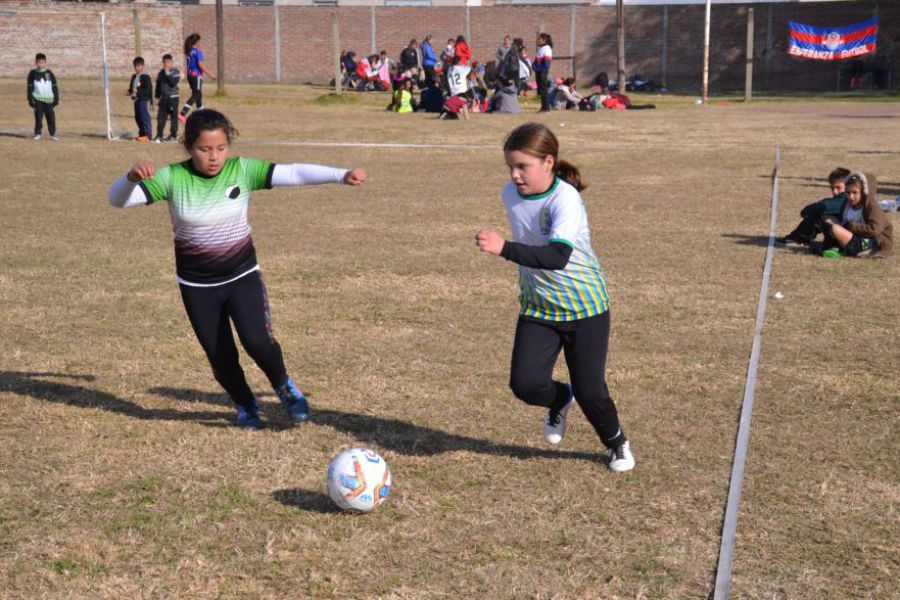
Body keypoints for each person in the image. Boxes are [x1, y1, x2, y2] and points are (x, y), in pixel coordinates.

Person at [107, 109, 367, 429]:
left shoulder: (241, 170)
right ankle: (245, 404)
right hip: (198, 286)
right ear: (189, 148)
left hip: (242, 275)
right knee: (221, 357)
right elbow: (117, 200)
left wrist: (341, 174)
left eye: (220, 148)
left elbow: (294, 173)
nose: (214, 157)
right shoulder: (172, 177)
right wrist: (130, 178)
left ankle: (284, 386)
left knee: (258, 341)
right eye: (204, 149)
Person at [474, 123, 634, 472]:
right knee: (525, 385)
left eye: (523, 167)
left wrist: (504, 248)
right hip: (539, 307)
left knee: (592, 392)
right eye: (510, 167)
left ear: (548, 162)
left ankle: (617, 443)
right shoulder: (509, 194)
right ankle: (561, 398)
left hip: (585, 308)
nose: (515, 176)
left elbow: (558, 257)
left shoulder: (566, 199)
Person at [815, 171, 893, 258]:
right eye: (848, 193)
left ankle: (839, 249)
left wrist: (851, 226)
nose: (851, 196)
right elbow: (842, 220)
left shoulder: (872, 207)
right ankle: (834, 247)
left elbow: (875, 229)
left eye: (855, 193)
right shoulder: (847, 205)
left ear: (864, 192)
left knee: (834, 228)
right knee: (826, 219)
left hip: (869, 243)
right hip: (853, 237)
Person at [777, 167, 850, 247]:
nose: (834, 191)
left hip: (849, 236)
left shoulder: (844, 199)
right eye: (832, 188)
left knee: (820, 215)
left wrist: (806, 211)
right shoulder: (845, 198)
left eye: (838, 187)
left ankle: (799, 239)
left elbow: (822, 207)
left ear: (848, 186)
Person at [179, 33, 217, 124]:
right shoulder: (197, 52)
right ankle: (182, 113)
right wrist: (210, 74)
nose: (201, 43)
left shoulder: (189, 51)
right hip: (196, 76)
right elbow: (200, 65)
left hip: (190, 75)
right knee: (196, 94)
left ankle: (202, 116)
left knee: (198, 96)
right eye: (200, 41)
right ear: (197, 42)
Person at [27, 52, 59, 141]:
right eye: (38, 62)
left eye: (42, 62)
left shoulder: (49, 73)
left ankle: (52, 134)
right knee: (38, 117)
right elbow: (29, 87)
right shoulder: (32, 73)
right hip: (37, 99)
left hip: (49, 99)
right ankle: (37, 133)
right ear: (35, 63)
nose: (40, 64)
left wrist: (56, 98)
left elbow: (54, 86)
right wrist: (30, 99)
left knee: (51, 117)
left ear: (45, 63)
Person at [154, 54, 181, 143]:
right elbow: (158, 86)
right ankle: (159, 135)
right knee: (161, 117)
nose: (166, 64)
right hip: (163, 98)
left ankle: (173, 135)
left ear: (172, 63)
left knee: (173, 117)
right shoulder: (161, 73)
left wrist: (168, 73)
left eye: (168, 62)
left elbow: (173, 83)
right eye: (165, 62)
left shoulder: (175, 72)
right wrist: (157, 97)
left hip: (173, 98)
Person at [127, 57, 153, 143]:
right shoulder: (134, 76)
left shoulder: (145, 76)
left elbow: (147, 89)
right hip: (137, 100)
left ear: (143, 66)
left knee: (144, 117)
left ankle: (147, 135)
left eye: (139, 66)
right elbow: (132, 87)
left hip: (144, 100)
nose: (137, 68)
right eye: (135, 66)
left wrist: (137, 93)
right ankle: (142, 134)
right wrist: (129, 91)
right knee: (138, 117)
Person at [533, 33, 553, 112]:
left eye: (539, 39)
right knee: (541, 90)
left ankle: (546, 108)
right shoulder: (541, 48)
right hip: (539, 72)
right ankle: (543, 107)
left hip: (542, 73)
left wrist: (542, 72)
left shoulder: (547, 48)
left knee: (544, 90)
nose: (537, 40)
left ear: (544, 40)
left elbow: (546, 63)